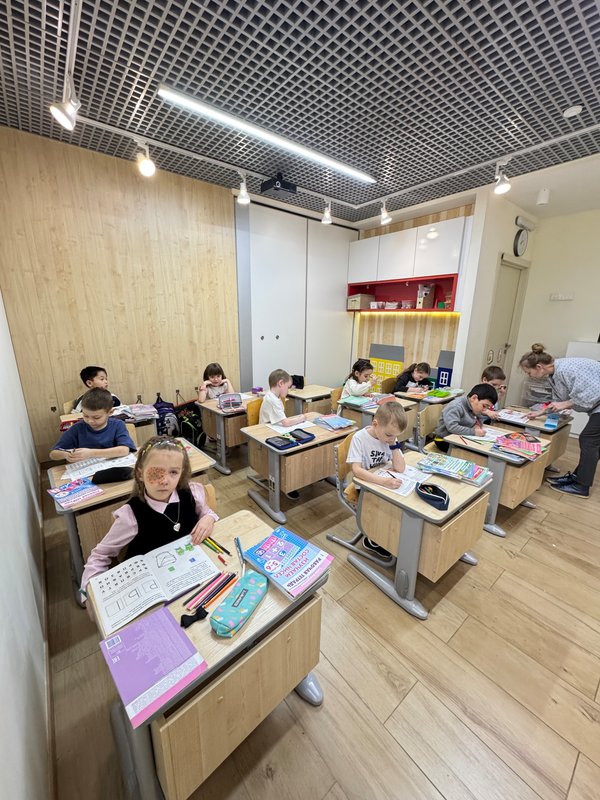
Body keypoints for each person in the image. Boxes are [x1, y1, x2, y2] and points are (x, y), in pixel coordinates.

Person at [80, 436, 218, 600]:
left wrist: (208, 518)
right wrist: (88, 595)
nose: (165, 481)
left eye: (173, 472)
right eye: (156, 472)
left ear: (181, 473)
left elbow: (208, 513)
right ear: (140, 474)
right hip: (151, 590)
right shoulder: (130, 515)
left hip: (190, 575)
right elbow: (100, 555)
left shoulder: (192, 493)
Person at [520, 343, 600, 498]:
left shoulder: (566, 369)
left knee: (588, 439)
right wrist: (542, 411)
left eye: (529, 372)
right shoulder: (554, 374)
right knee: (594, 443)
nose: (529, 376)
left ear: (539, 367)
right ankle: (578, 477)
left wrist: (565, 404)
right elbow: (558, 401)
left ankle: (581, 486)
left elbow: (592, 393)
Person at [346, 403, 407, 558]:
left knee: (403, 504)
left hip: (382, 483)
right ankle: (373, 538)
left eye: (395, 436)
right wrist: (383, 482)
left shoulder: (390, 437)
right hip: (365, 487)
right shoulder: (359, 438)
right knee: (390, 506)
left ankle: (390, 535)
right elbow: (356, 470)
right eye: (389, 435)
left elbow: (400, 468)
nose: (391, 438)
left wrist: (394, 445)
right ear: (375, 424)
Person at [259, 369, 307, 500]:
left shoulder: (275, 397)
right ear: (280, 383)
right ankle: (288, 482)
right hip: (267, 434)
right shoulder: (272, 400)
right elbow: (285, 422)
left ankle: (294, 479)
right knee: (294, 447)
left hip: (275, 429)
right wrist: (301, 418)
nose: (289, 390)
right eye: (288, 387)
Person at [50, 388, 136, 461]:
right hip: (87, 470)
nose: (90, 421)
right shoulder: (77, 428)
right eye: (85, 416)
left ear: (110, 412)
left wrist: (91, 453)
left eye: (96, 417)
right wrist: (66, 455)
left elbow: (124, 450)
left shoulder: (118, 425)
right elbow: (53, 454)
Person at [434, 383, 498, 452]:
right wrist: (474, 432)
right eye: (484, 406)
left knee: (485, 447)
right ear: (474, 398)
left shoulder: (473, 406)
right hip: (444, 440)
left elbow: (477, 419)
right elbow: (452, 427)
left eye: (487, 407)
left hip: (459, 437)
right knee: (478, 452)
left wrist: (477, 425)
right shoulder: (456, 406)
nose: (485, 409)